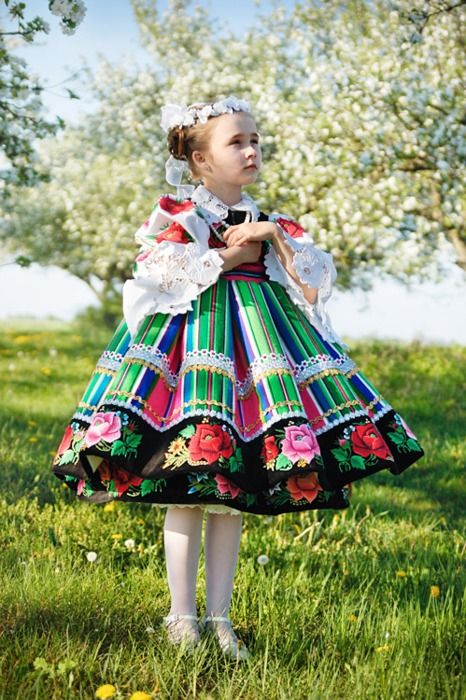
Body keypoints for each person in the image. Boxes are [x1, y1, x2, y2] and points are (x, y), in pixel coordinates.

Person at [52, 96, 425, 660]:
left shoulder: (268, 220)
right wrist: (228, 255)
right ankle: (181, 618)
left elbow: (311, 286)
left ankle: (220, 621)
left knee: (231, 495)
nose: (251, 150)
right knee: (186, 490)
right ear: (200, 161)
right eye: (236, 142)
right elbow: (160, 276)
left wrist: (270, 237)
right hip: (193, 356)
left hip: (257, 353)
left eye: (255, 141)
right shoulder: (184, 216)